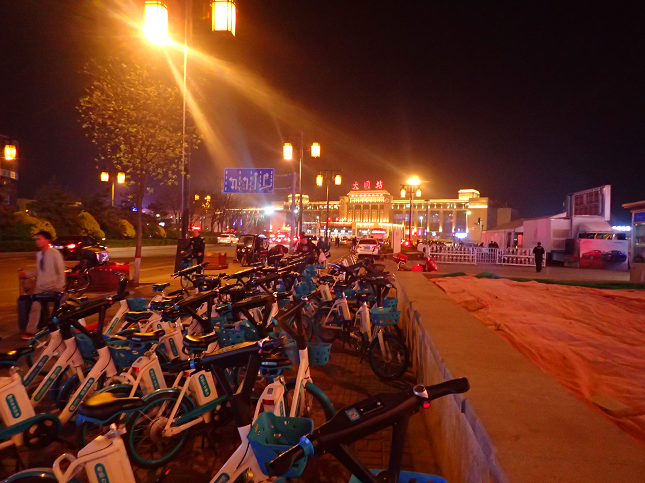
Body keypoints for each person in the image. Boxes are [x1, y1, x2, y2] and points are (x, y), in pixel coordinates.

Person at [19, 230, 66, 339]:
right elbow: (39, 270)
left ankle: (59, 329)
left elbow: (60, 270)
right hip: (40, 286)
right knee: (35, 307)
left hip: (53, 287)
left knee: (57, 309)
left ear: (47, 240)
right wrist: (26, 274)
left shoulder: (54, 254)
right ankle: (31, 331)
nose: (37, 241)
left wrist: (60, 286)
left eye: (39, 239)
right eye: (36, 239)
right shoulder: (39, 254)